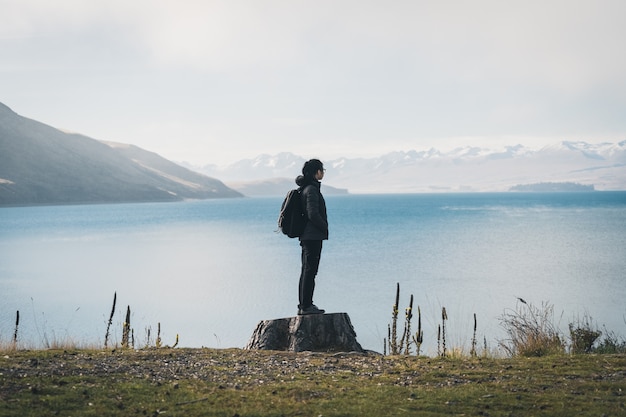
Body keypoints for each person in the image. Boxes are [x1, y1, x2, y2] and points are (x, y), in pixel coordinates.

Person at [295, 159, 328, 315]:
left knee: (307, 270)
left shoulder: (305, 188)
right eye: (322, 170)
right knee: (310, 271)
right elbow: (312, 213)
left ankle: (304, 305)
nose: (323, 173)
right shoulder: (312, 190)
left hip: (307, 236)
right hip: (312, 236)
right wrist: (324, 226)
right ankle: (306, 306)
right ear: (317, 172)